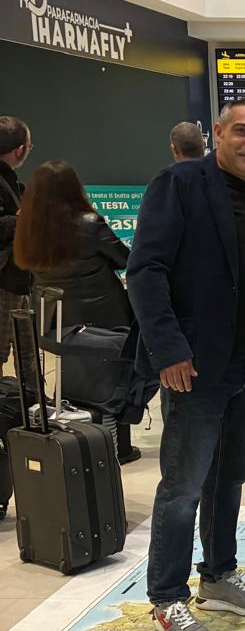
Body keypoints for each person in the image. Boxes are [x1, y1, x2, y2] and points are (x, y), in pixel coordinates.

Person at [127, 102, 245, 631]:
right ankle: (166, 597)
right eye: (241, 131)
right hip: (194, 366)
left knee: (229, 478)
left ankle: (219, 575)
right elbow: (146, 270)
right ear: (217, 133)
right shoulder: (180, 184)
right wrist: (169, 349)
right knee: (183, 486)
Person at [12, 160, 141, 463]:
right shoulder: (90, 223)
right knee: (116, 377)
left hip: (54, 319)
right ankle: (118, 446)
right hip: (106, 317)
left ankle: (78, 441)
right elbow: (125, 259)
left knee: (74, 378)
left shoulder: (28, 227)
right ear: (74, 189)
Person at [0, 116, 33, 374]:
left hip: (17, 278)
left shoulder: (13, 183)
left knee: (28, 352)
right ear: (20, 149)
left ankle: (31, 398)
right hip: (5, 281)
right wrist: (23, 218)